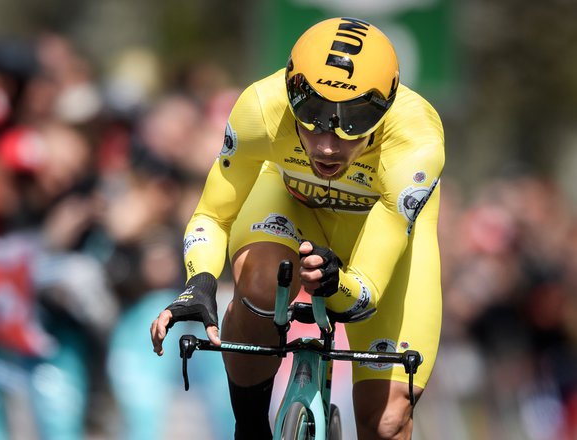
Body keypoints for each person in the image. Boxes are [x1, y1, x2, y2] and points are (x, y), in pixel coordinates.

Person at [151, 16, 444, 440]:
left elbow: (364, 293)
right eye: (310, 115)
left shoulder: (415, 139)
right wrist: (199, 282)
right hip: (291, 206)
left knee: (386, 423)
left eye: (354, 121)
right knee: (259, 282)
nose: (327, 143)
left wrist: (335, 283)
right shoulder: (261, 108)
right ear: (291, 91)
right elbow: (213, 216)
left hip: (377, 241)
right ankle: (250, 428)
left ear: (387, 106)